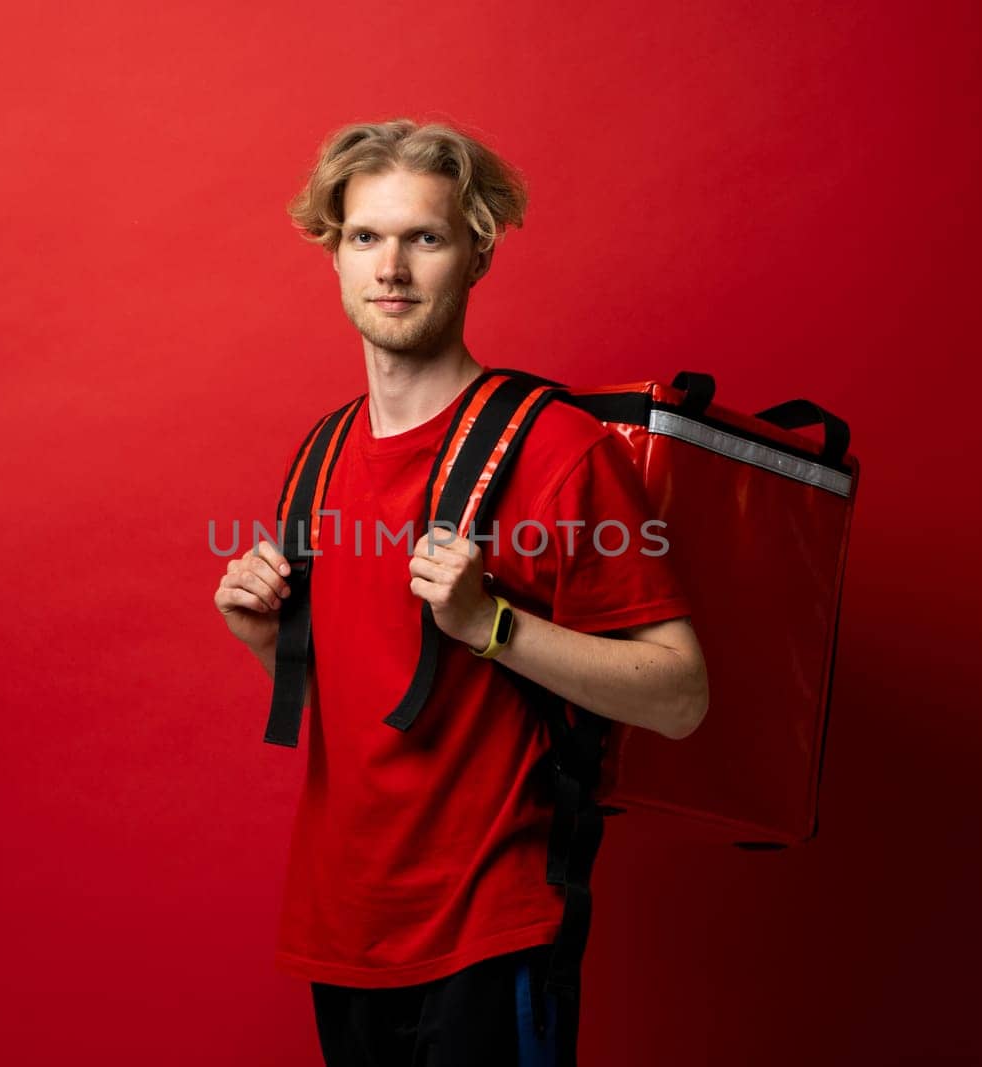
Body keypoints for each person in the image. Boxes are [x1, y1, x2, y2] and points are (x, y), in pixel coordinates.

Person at [213, 118, 709, 1067]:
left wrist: (492, 624)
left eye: (424, 238)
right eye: (366, 237)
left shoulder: (560, 449)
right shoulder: (318, 454)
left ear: (476, 254)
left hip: (492, 925)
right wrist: (263, 640)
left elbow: (681, 695)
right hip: (344, 931)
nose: (391, 267)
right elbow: (364, 692)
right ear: (335, 254)